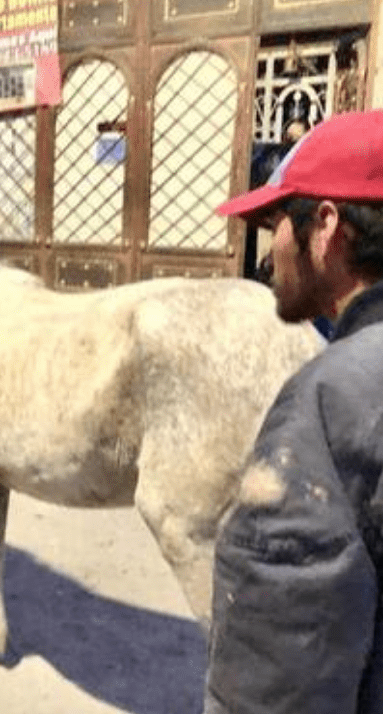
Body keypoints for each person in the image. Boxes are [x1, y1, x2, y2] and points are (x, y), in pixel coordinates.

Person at [205, 110, 383, 713]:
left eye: (276, 221)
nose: (270, 246)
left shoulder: (327, 403)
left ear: (326, 225)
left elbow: (277, 678)